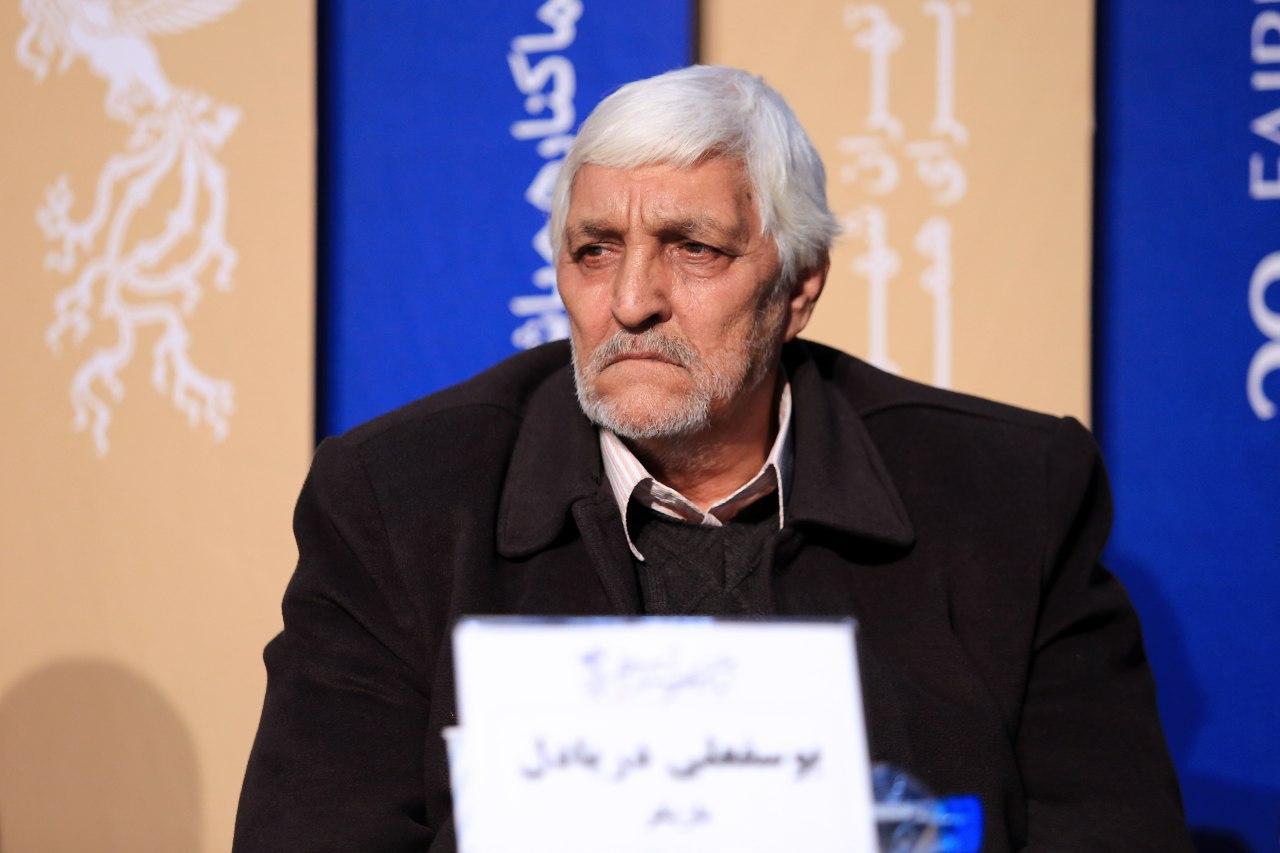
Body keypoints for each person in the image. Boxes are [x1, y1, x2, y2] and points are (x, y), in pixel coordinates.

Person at [233, 65, 1192, 851]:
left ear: (799, 287)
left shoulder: (1010, 498)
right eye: (595, 249)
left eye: (691, 248)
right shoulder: (399, 502)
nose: (632, 300)